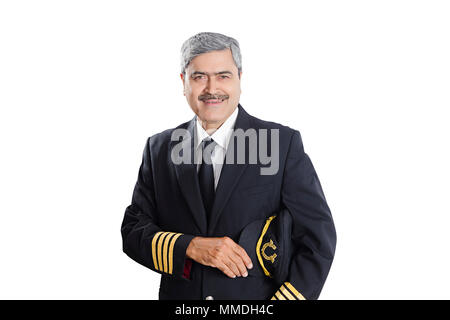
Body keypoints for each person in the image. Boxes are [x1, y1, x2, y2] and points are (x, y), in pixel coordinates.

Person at [121, 32, 336, 300]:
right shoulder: (160, 148)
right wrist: (190, 246)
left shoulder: (280, 144)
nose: (212, 88)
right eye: (199, 77)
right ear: (183, 82)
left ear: (239, 79)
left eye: (223, 75)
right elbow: (133, 231)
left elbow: (318, 241)